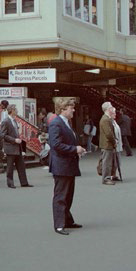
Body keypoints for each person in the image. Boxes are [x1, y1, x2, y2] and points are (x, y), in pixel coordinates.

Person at [49, 98, 86, 234]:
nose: (74, 110)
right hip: (61, 165)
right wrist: (75, 149)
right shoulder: (56, 124)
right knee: (61, 196)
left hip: (68, 164)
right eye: (71, 107)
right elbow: (56, 145)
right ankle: (59, 225)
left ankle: (67, 220)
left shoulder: (66, 123)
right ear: (63, 109)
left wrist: (78, 150)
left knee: (68, 195)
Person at [1, 104, 32, 188]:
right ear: (12, 111)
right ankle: (10, 183)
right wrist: (14, 140)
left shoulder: (14, 120)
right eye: (15, 109)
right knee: (10, 166)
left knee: (21, 165)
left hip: (17, 147)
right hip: (10, 147)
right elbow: (3, 135)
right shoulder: (6, 121)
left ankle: (24, 182)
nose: (17, 111)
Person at [98, 102, 117, 185]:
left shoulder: (105, 118)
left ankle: (108, 177)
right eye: (111, 107)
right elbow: (109, 133)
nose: (112, 109)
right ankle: (106, 178)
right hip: (107, 144)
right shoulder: (105, 120)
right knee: (107, 162)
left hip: (107, 144)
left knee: (108, 161)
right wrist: (114, 141)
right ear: (108, 109)